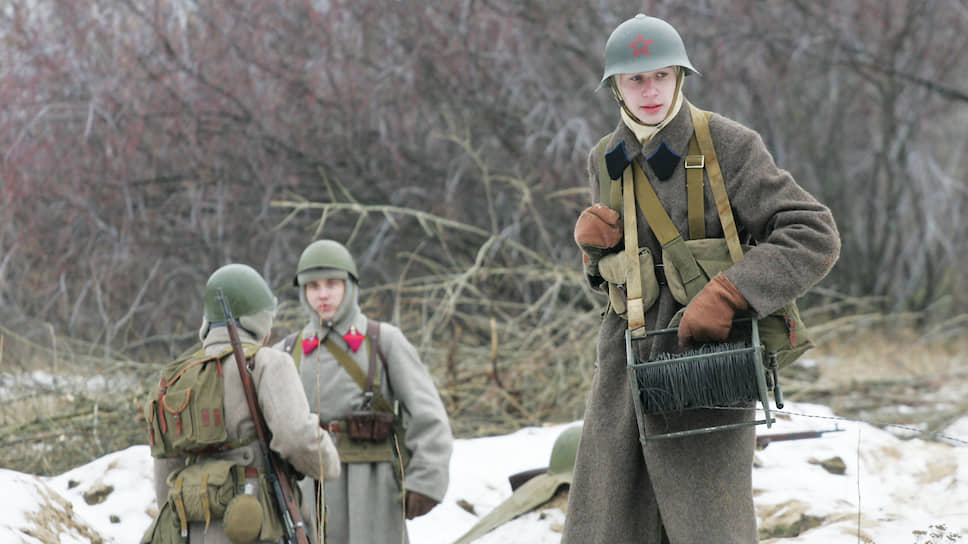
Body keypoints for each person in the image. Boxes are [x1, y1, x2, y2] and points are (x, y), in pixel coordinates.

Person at [565, 13, 841, 544]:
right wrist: (593, 255)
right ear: (615, 87)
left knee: (707, 526)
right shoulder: (604, 157)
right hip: (623, 365)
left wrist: (731, 293)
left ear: (681, 77)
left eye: (662, 76)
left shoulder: (728, 144)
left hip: (704, 359)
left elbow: (814, 232)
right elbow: (613, 282)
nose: (650, 91)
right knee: (607, 524)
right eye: (635, 79)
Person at [142, 263, 340, 544]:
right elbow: (296, 438)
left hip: (194, 531)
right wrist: (328, 460)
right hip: (260, 529)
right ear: (260, 320)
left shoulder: (175, 377)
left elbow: (166, 470)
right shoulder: (267, 362)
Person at [275, 239, 453, 544]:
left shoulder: (383, 341)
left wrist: (426, 480)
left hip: (372, 484)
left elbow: (429, 415)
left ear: (350, 286)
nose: (323, 294)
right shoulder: (287, 352)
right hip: (307, 486)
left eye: (332, 284)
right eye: (313, 286)